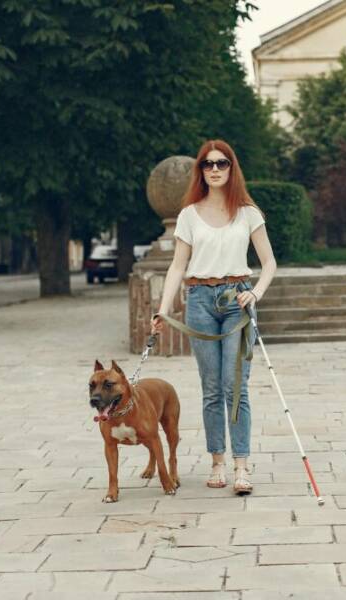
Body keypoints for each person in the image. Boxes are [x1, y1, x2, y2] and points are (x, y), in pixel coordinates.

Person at [151, 140, 276, 495]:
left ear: (232, 168)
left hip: (237, 299)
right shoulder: (190, 214)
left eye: (222, 163)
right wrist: (163, 308)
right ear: (201, 171)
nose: (215, 169)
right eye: (208, 165)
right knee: (211, 389)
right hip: (200, 300)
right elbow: (178, 266)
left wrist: (256, 293)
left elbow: (269, 263)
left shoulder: (248, 212)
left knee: (235, 387)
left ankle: (241, 466)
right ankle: (217, 462)